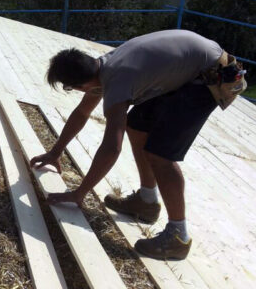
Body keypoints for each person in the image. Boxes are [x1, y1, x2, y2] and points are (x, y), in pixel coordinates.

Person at [29, 29, 227, 260]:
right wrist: (55, 152)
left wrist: (79, 193)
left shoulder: (117, 80)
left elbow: (112, 146)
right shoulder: (102, 68)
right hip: (192, 67)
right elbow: (82, 113)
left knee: (161, 155)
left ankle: (178, 237)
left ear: (81, 84)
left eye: (71, 88)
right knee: (137, 126)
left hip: (211, 76)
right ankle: (147, 200)